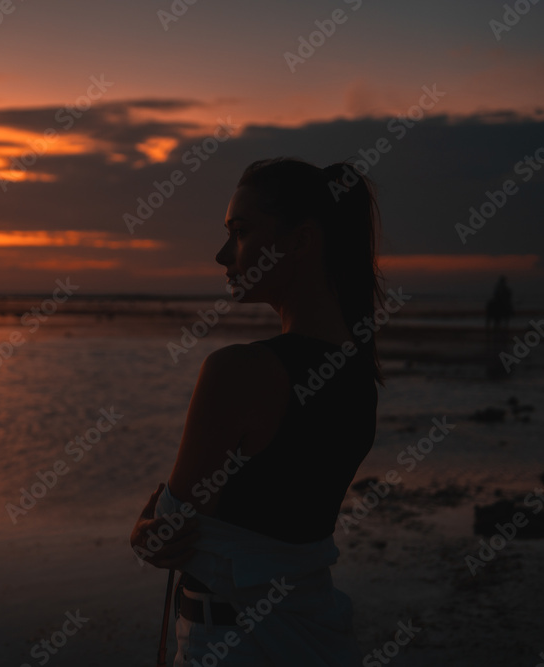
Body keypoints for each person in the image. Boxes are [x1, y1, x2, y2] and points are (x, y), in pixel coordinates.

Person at [130, 157, 386, 665]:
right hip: (318, 637)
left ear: (302, 241)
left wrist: (145, 524)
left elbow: (170, 534)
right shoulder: (361, 375)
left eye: (240, 232)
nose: (223, 254)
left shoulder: (239, 370)